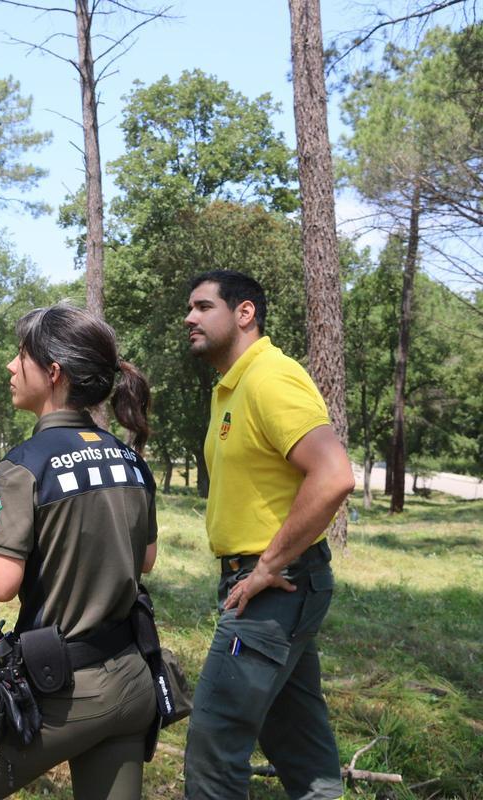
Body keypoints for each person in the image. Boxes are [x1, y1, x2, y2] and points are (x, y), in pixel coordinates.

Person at [0, 303, 159, 800]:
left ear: (53, 373)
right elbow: (145, 563)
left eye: (21, 356)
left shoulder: (25, 464)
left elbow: (1, 584)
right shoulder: (129, 460)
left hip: (64, 693)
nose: (10, 366)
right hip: (133, 678)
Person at [182, 269, 354, 800]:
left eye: (203, 306)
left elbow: (334, 475)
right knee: (298, 741)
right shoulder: (230, 388)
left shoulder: (271, 377)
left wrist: (268, 564)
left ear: (245, 313)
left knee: (214, 748)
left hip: (271, 589)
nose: (189, 318)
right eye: (189, 309)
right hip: (267, 586)